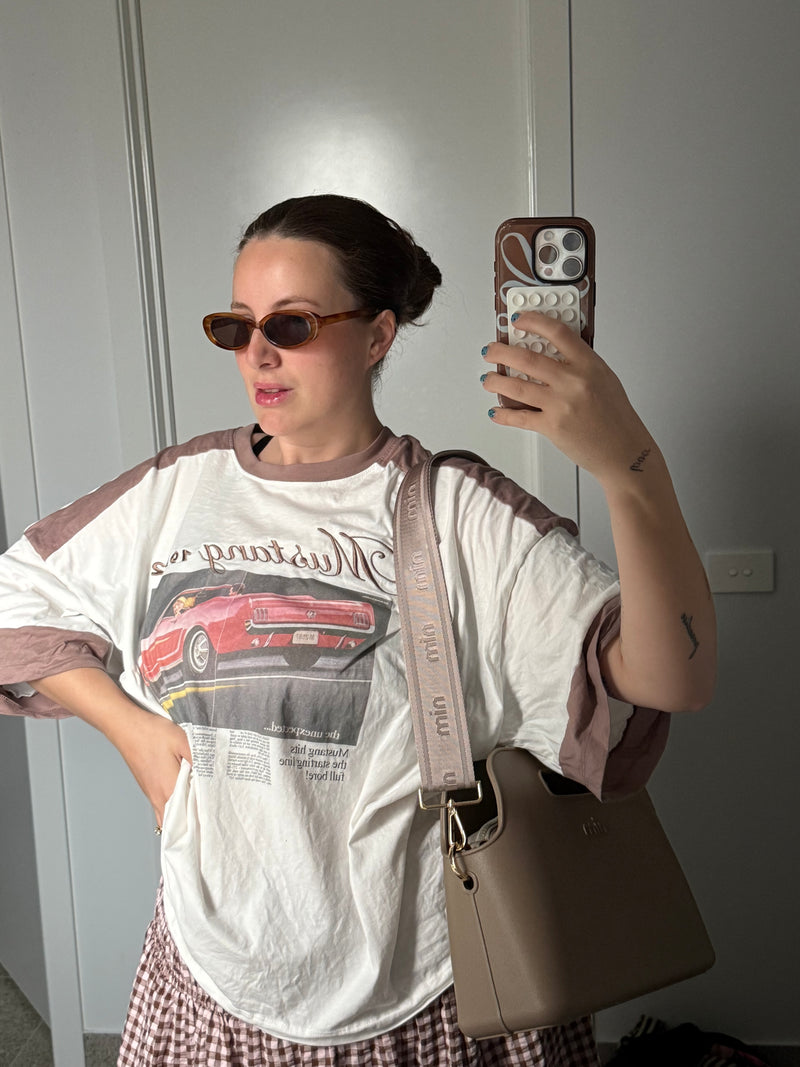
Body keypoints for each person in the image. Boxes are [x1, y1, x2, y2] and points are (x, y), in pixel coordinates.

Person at [0, 194, 716, 1066]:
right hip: (208, 981)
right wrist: (129, 728)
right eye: (236, 327)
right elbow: (15, 601)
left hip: (420, 998)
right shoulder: (178, 490)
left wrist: (631, 467)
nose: (258, 353)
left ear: (378, 336)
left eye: (291, 324)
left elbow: (670, 678)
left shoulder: (457, 513)